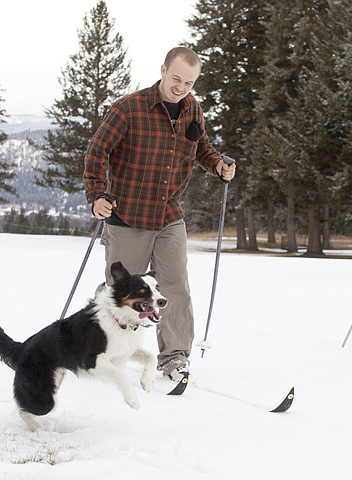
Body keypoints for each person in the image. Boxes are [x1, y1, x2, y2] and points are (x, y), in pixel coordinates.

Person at [84, 46, 236, 381]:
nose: (182, 87)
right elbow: (97, 151)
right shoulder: (128, 109)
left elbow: (203, 149)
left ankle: (175, 357)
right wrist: (96, 195)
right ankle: (103, 347)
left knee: (174, 284)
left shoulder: (192, 109)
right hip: (128, 216)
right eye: (177, 78)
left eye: (190, 83)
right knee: (120, 290)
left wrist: (218, 166)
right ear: (164, 69)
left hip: (169, 214)